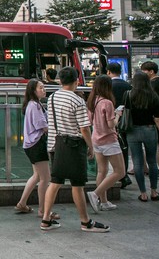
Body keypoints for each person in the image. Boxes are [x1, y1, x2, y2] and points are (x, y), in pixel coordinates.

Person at [40, 67, 109, 232]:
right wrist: (91, 147)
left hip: (55, 144)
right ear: (76, 80)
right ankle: (85, 222)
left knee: (55, 181)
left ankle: (46, 219)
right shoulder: (77, 100)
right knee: (77, 184)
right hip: (73, 145)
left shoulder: (53, 97)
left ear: (60, 81)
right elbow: (84, 128)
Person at [15, 79, 57, 220]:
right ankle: (43, 210)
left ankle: (22, 203)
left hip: (31, 144)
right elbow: (43, 127)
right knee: (46, 178)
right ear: (33, 90)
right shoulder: (35, 106)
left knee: (37, 176)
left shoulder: (34, 104)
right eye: (41, 87)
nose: (44, 90)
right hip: (37, 144)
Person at [125, 71, 159, 202]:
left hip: (132, 131)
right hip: (150, 130)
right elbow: (158, 119)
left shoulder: (128, 95)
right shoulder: (153, 96)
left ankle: (143, 193)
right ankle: (154, 192)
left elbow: (125, 113)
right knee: (152, 161)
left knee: (137, 162)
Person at [85, 75, 125, 212]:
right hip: (109, 140)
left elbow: (89, 122)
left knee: (102, 171)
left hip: (96, 139)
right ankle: (95, 194)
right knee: (120, 171)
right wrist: (118, 114)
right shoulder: (107, 103)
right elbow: (111, 124)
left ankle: (104, 202)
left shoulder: (92, 101)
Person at [108, 62, 133, 188]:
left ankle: (118, 174)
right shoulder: (127, 85)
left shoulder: (108, 86)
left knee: (113, 149)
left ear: (108, 72)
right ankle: (123, 174)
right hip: (126, 120)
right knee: (124, 147)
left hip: (111, 120)